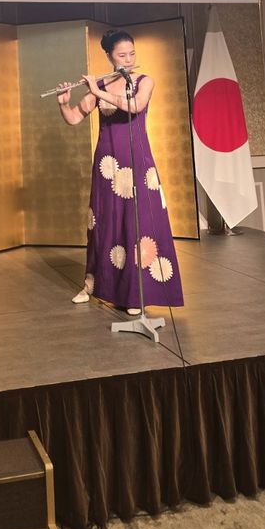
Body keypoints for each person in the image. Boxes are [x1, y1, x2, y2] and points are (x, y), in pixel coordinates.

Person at [57, 28, 184, 315]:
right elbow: (74, 118)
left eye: (132, 54)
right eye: (122, 55)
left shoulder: (143, 81)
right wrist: (64, 104)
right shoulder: (100, 85)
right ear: (109, 56)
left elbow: (136, 106)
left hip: (138, 164)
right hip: (108, 166)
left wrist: (99, 91)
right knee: (104, 224)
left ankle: (135, 295)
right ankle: (93, 285)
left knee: (138, 227)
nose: (128, 60)